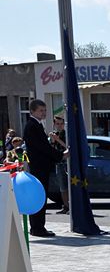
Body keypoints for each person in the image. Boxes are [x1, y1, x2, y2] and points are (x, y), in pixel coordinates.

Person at [23, 99, 64, 237]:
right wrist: (61, 155)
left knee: (40, 197)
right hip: (38, 168)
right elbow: (42, 147)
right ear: (32, 111)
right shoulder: (32, 126)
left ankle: (38, 227)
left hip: (40, 167)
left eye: (45, 110)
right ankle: (37, 228)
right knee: (39, 197)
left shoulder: (37, 125)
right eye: (41, 110)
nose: (44, 113)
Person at [48, 115, 69, 214]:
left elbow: (68, 147)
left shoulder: (67, 134)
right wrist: (52, 141)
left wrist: (57, 139)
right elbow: (51, 150)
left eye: (61, 124)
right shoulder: (54, 134)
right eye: (57, 124)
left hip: (67, 163)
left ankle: (72, 206)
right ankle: (66, 206)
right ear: (54, 124)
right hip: (58, 163)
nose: (59, 126)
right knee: (62, 186)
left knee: (69, 185)